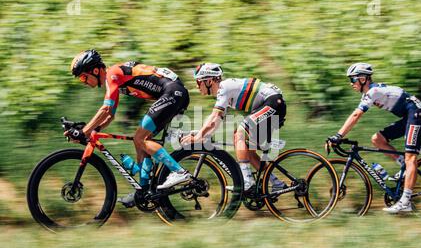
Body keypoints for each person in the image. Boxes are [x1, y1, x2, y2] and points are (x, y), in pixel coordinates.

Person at [69, 49, 192, 207]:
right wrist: (92, 131)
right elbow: (110, 116)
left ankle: (179, 172)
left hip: (172, 92)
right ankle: (143, 191)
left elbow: (105, 109)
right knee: (140, 141)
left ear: (95, 70)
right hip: (173, 93)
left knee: (140, 138)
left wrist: (84, 131)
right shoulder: (114, 81)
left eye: (83, 77)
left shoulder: (112, 74)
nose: (84, 82)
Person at [328, 62, 421, 213]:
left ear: (363, 79)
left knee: (411, 158)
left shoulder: (373, 91)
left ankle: (405, 202)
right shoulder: (371, 92)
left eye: (352, 80)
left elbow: (356, 115)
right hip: (409, 116)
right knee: (377, 139)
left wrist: (338, 135)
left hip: (416, 115)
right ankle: (404, 167)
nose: (351, 84)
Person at [180, 63, 287, 191]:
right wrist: (201, 134)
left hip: (273, 102)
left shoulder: (224, 87)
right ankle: (277, 183)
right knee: (248, 151)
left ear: (208, 81)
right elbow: (216, 120)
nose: (198, 87)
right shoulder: (225, 93)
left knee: (239, 134)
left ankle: (247, 181)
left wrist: (198, 136)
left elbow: (214, 117)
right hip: (273, 104)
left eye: (198, 83)